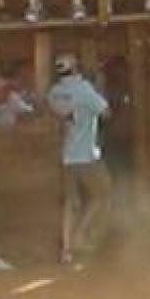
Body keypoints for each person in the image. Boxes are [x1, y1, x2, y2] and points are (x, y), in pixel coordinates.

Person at [46, 53, 110, 266]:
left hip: (66, 153)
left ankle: (67, 249)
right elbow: (106, 111)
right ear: (76, 68)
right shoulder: (84, 89)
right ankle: (80, 236)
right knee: (102, 194)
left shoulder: (54, 93)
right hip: (86, 153)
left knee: (70, 202)